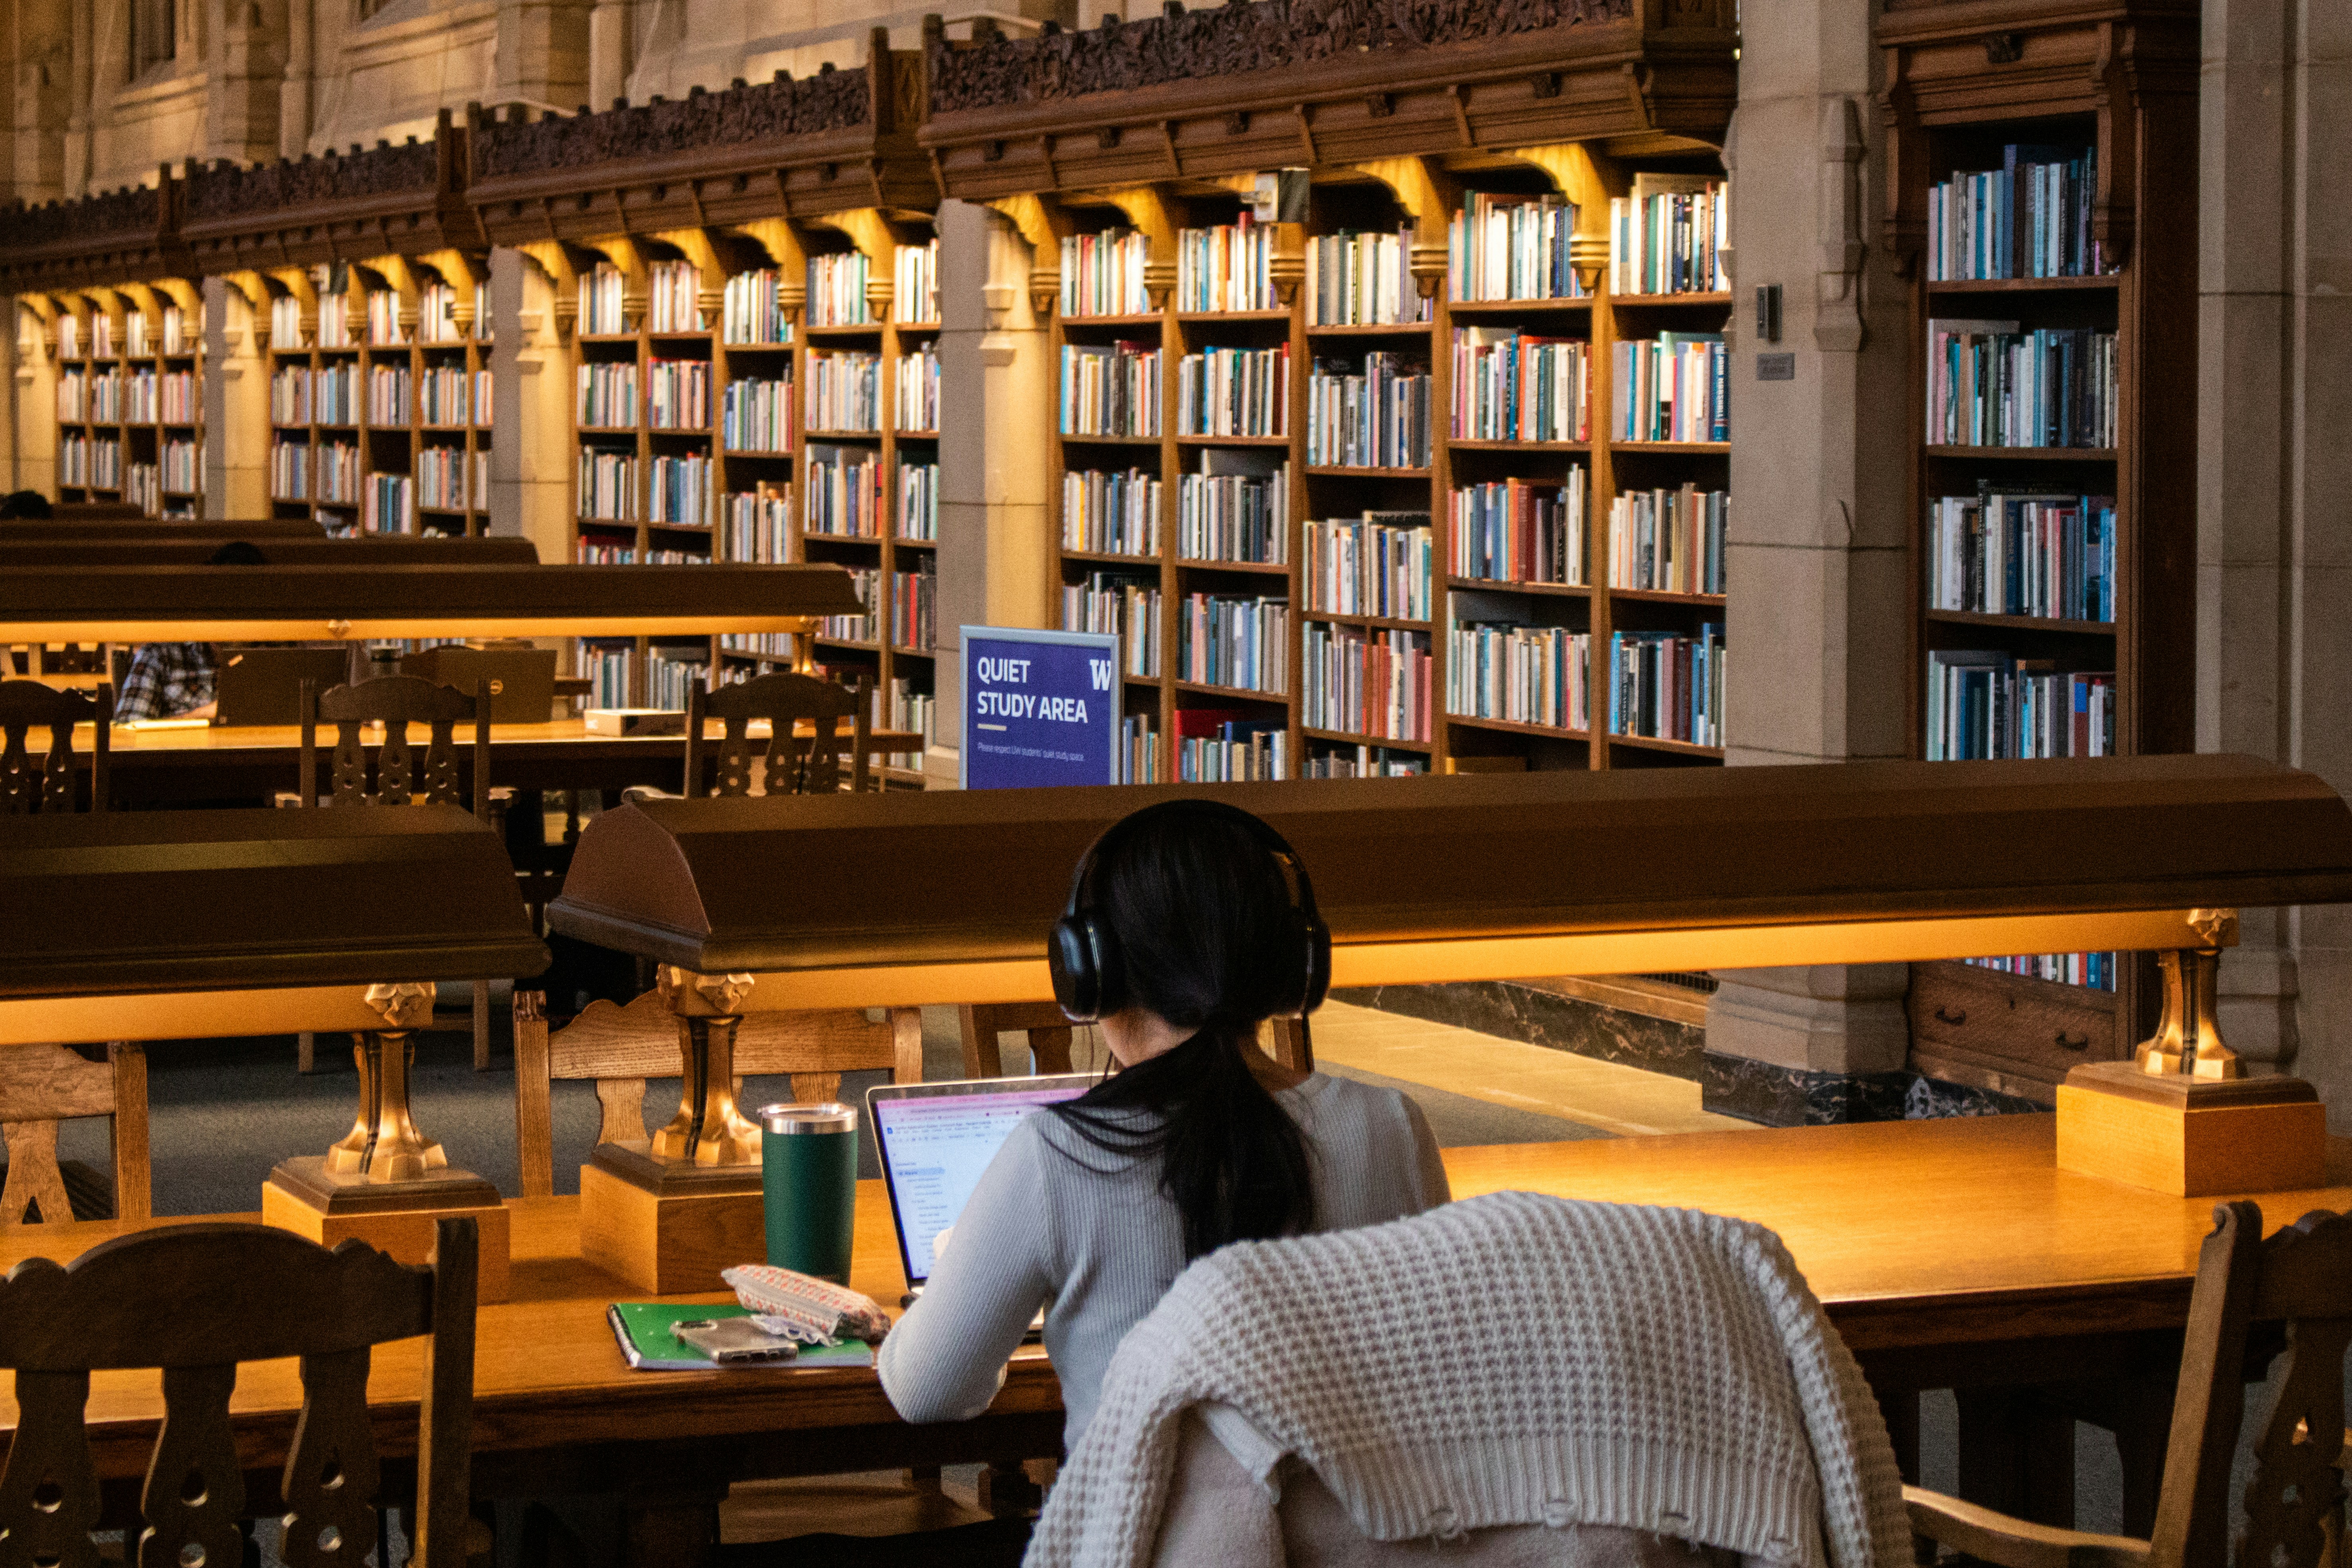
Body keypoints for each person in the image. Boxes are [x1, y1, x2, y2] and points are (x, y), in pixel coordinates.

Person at [877, 800, 1451, 1449]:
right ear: (1294, 963)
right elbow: (1433, 1373)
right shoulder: (1390, 1128)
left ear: (1092, 972)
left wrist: (965, 1270)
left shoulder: (1060, 1151)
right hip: (1353, 1547)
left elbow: (929, 1391)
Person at [113, 541, 269, 721]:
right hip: (178, 749)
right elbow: (125, 735)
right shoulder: (161, 654)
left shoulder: (284, 651)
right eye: (219, 596)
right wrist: (202, 716)